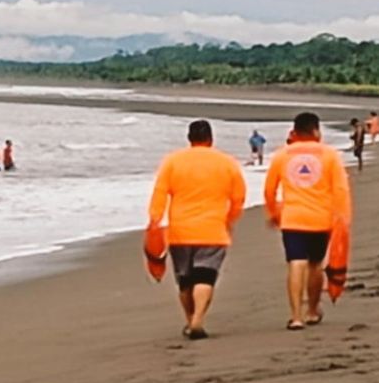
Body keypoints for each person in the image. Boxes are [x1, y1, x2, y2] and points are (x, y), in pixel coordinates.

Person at [148, 120, 246, 340]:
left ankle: (190, 320)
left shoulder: (172, 161)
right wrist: (229, 220)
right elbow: (238, 197)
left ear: (189, 138)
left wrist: (154, 222)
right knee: (205, 277)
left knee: (185, 280)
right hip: (213, 229)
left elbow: (159, 194)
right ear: (211, 139)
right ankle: (198, 320)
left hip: (180, 231)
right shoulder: (227, 162)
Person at [264, 112, 351, 331]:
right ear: (315, 131)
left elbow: (269, 190)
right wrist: (342, 218)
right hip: (320, 220)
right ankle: (312, 310)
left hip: (292, 218)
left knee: (296, 262)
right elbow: (341, 190)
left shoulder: (282, 155)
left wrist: (274, 212)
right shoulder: (330, 155)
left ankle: (295, 317)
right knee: (315, 265)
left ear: (295, 131)